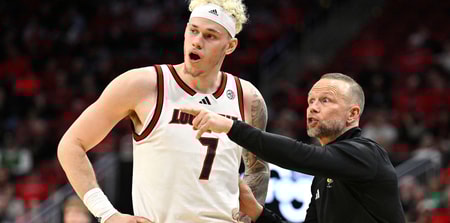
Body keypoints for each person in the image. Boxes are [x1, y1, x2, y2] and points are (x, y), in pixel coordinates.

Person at [57, 0, 270, 222]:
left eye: (210, 36)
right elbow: (71, 145)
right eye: (193, 31)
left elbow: (258, 169)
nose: (197, 42)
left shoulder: (247, 98)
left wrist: (248, 217)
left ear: (230, 46)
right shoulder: (144, 84)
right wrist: (108, 214)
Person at [181, 73, 406, 223]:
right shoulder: (322, 177)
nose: (313, 108)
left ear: (353, 114)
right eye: (311, 101)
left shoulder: (367, 153)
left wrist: (233, 127)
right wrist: (257, 213)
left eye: (325, 100)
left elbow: (303, 155)